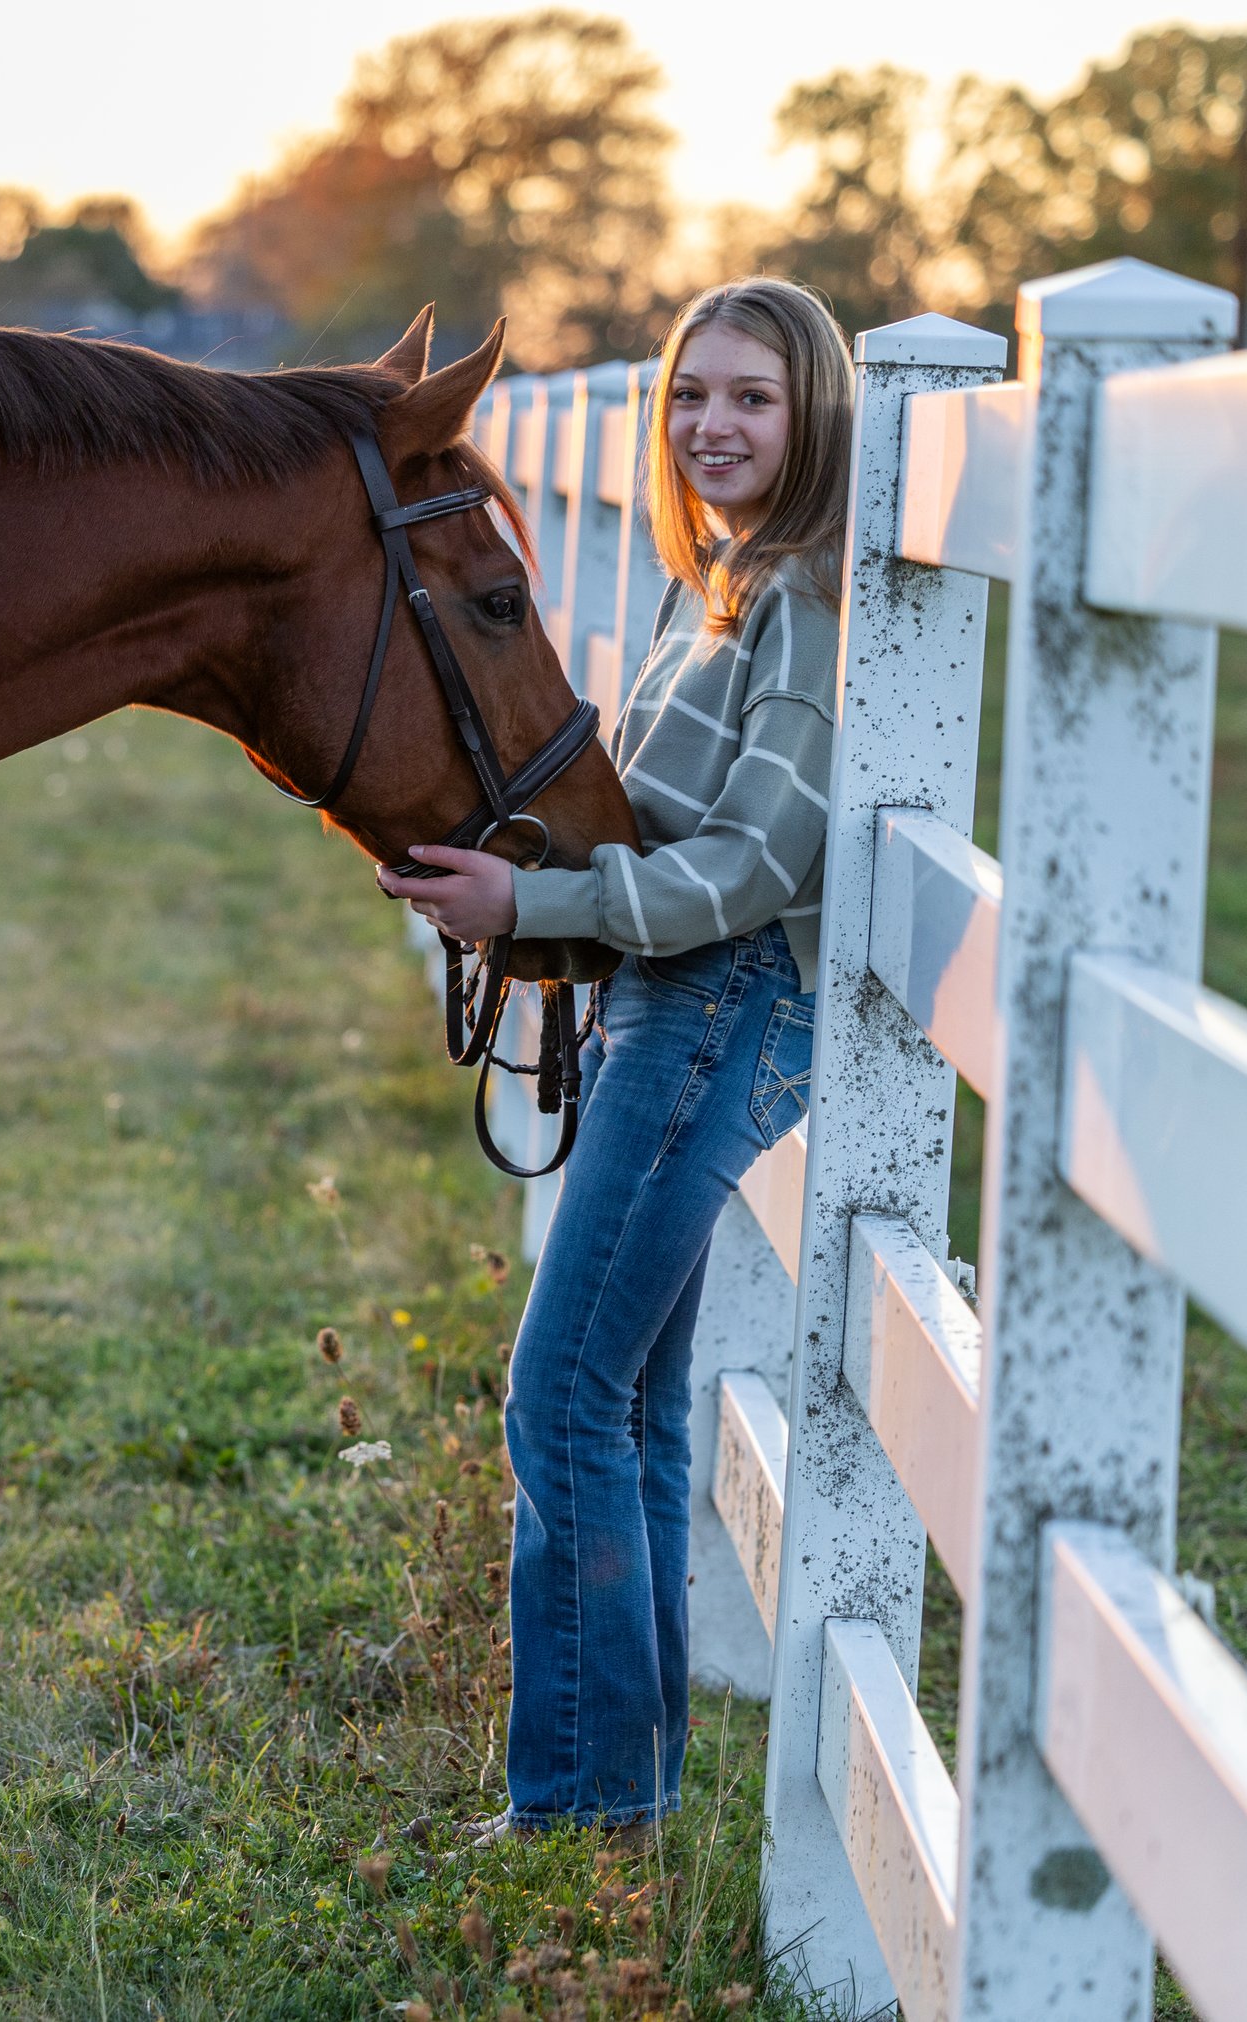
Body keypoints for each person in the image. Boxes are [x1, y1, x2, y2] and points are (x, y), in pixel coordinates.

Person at [377, 277, 854, 1832]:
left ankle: (578, 1804)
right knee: (631, 1401)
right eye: (693, 395)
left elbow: (762, 858)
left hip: (716, 1001)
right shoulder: (708, 581)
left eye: (753, 398)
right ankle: (622, 1790)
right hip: (670, 996)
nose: (712, 425)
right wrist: (521, 900)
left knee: (561, 1390)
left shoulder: (799, 599)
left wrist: (540, 900)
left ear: (817, 417)